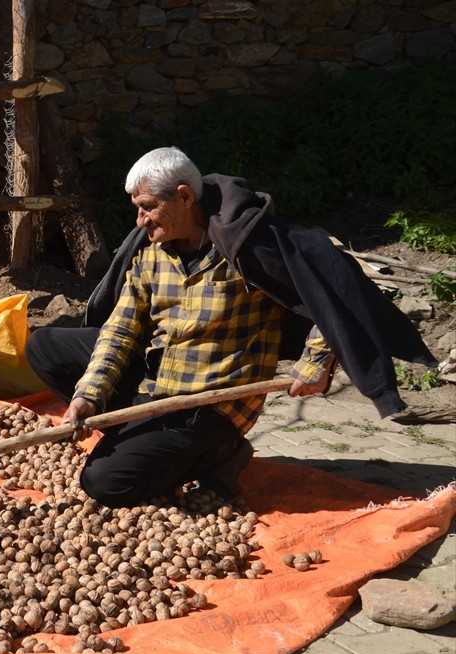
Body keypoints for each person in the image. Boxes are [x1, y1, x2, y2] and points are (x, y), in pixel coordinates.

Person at [26, 147, 436, 507]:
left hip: (210, 404)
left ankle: (222, 452)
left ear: (184, 197)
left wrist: (315, 363)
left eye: (148, 206)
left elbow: (331, 291)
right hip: (157, 381)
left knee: (104, 483)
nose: (139, 221)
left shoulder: (249, 247)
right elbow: (121, 330)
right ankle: (138, 428)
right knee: (44, 346)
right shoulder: (153, 253)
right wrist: (89, 395)